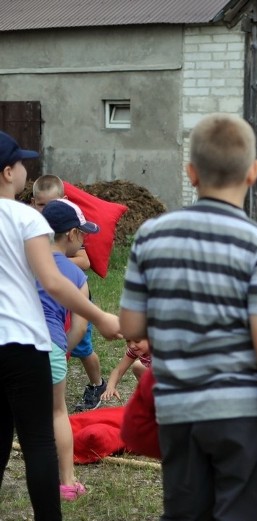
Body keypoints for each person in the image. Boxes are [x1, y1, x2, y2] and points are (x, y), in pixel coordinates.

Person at [119, 113, 257, 519]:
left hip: (178, 415)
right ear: (253, 172)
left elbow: (131, 326)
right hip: (244, 419)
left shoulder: (151, 235)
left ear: (191, 173)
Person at [0, 130, 121, 521]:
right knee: (37, 440)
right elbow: (52, 280)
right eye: (20, 163)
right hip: (23, 343)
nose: (24, 168)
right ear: (6, 173)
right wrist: (100, 317)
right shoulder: (25, 217)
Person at [37, 199, 104, 501]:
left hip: (12, 344)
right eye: (84, 234)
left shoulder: (26, 259)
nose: (85, 239)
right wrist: (64, 350)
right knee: (57, 411)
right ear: (72, 234)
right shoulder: (77, 276)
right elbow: (78, 326)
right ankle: (66, 483)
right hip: (50, 345)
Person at [31, 174, 108, 411]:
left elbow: (84, 261)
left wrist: (48, 264)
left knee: (84, 348)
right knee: (56, 412)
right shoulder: (32, 235)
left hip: (70, 305)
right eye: (41, 204)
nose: (44, 209)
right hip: (54, 337)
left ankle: (97, 384)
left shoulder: (31, 256)